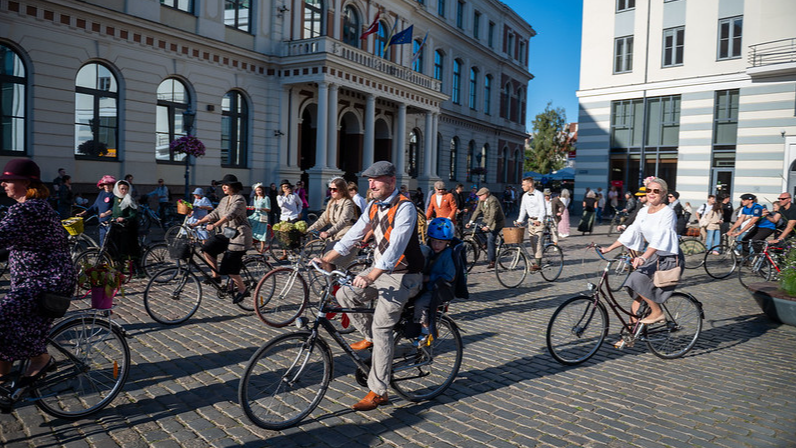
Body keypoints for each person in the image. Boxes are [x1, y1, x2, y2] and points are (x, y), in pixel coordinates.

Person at [316, 161, 424, 412]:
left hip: (404, 274)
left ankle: (379, 391)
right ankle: (373, 341)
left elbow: (395, 249)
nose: (371, 185)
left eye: (377, 180)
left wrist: (371, 276)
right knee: (344, 294)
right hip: (379, 270)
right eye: (369, 180)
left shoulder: (405, 208)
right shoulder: (374, 206)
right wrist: (326, 259)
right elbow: (353, 235)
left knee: (382, 325)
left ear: (392, 181)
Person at [0, 159, 76, 388]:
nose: (3, 184)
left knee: (4, 315)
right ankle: (4, 383)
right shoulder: (32, 207)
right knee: (7, 326)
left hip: (48, 281)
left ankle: (41, 359)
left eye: (8, 180)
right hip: (35, 280)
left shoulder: (29, 209)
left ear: (25, 182)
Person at [600, 178, 683, 325]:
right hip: (653, 255)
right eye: (648, 190)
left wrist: (643, 258)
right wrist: (609, 249)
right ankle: (630, 335)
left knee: (635, 279)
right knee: (638, 294)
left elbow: (660, 238)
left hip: (668, 257)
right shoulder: (644, 211)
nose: (651, 193)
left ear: (663, 193)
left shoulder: (667, 213)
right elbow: (632, 231)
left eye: (656, 191)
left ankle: (657, 312)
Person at [190, 174, 253, 304]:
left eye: (227, 185)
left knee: (229, 267)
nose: (224, 187)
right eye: (223, 185)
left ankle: (242, 289)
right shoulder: (224, 200)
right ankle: (216, 276)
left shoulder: (240, 199)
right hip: (227, 233)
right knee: (207, 249)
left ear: (233, 186)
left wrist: (215, 225)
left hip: (239, 236)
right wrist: (197, 222)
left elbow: (230, 215)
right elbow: (215, 213)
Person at [413, 217, 456, 346]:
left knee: (421, 304)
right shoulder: (430, 251)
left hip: (437, 289)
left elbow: (450, 276)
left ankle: (425, 332)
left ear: (447, 242)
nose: (436, 245)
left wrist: (429, 277)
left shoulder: (447, 255)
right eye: (433, 241)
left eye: (440, 242)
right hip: (427, 286)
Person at [307, 177, 358, 268]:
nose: (331, 191)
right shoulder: (331, 202)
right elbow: (323, 219)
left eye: (334, 189)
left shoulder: (348, 203)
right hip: (334, 236)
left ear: (342, 190)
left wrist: (328, 232)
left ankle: (333, 282)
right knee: (324, 259)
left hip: (345, 234)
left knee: (330, 261)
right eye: (330, 189)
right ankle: (331, 280)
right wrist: (308, 230)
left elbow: (343, 221)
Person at [467, 187, 505, 269]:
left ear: (486, 194)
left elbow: (493, 214)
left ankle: (492, 261)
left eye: (480, 195)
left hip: (496, 222)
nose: (479, 197)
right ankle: (484, 243)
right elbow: (477, 211)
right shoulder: (481, 201)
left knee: (491, 239)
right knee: (476, 228)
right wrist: (470, 222)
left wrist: (488, 226)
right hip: (486, 220)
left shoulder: (493, 200)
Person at [515, 177, 547, 270]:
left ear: (530, 184)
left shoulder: (539, 194)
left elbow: (543, 209)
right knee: (532, 242)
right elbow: (523, 209)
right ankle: (537, 260)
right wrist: (519, 220)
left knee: (538, 241)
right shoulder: (524, 196)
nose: (522, 186)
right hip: (531, 221)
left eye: (523, 185)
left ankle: (538, 264)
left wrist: (539, 220)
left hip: (539, 221)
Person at [110, 180, 142, 273]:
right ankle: (120, 267)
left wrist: (124, 218)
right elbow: (114, 211)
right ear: (118, 189)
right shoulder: (115, 199)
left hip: (129, 227)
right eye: (122, 189)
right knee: (117, 247)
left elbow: (133, 215)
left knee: (129, 249)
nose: (124, 191)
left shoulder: (129, 199)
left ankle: (137, 269)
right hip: (118, 227)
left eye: (126, 189)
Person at [78, 175, 116, 244]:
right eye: (105, 185)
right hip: (102, 224)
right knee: (102, 243)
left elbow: (115, 208)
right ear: (103, 185)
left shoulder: (114, 195)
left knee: (109, 244)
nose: (107, 186)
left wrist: (106, 214)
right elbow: (95, 206)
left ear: (112, 185)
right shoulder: (101, 193)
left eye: (109, 185)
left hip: (110, 224)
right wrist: (83, 213)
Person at [248, 183, 271, 254]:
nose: (258, 192)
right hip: (255, 215)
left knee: (262, 232)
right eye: (257, 190)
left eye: (259, 190)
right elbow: (255, 207)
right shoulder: (255, 198)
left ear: (262, 190)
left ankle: (262, 249)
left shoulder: (266, 198)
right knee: (248, 222)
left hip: (262, 216)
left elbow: (269, 209)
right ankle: (252, 241)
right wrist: (251, 207)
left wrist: (261, 208)